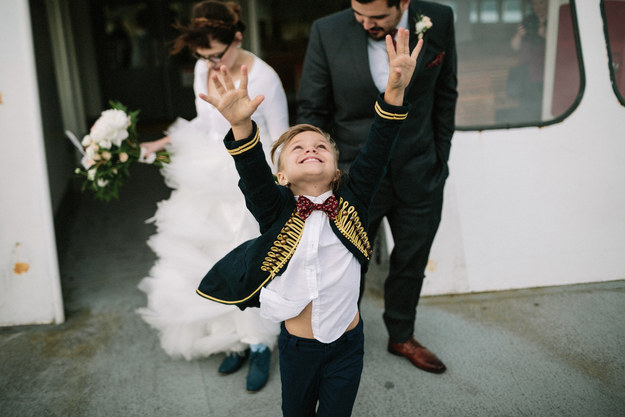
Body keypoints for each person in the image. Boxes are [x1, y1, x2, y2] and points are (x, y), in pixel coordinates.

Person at [196, 28, 420, 416]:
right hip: (298, 348)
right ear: (281, 175)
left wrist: (395, 91)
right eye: (296, 148)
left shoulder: (354, 197)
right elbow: (251, 170)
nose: (310, 148)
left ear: (336, 169)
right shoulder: (274, 207)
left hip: (349, 345)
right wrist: (240, 126)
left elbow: (380, 143)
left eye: (320, 146)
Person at [297, 0, 457, 374]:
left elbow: (446, 92)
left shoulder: (439, 19)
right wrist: (319, 174)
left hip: (421, 171)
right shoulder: (326, 30)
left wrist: (440, 158)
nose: (366, 23)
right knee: (345, 265)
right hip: (355, 176)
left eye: (378, 17)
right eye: (358, 13)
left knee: (412, 260)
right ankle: (339, 339)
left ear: (404, 3)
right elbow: (312, 111)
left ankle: (401, 335)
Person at [136, 0, 288, 392]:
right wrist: (164, 142)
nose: (212, 64)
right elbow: (206, 124)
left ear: (238, 37)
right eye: (204, 57)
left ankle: (259, 344)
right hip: (207, 174)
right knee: (209, 258)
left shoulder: (266, 78)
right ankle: (231, 340)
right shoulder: (204, 67)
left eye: (218, 54)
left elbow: (281, 138)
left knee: (247, 257)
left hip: (250, 178)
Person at [509, 0, 548, 120]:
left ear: (547, 4)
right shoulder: (528, 20)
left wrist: (544, 34)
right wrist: (519, 35)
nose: (538, 7)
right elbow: (514, 47)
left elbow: (559, 46)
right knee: (525, 110)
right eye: (535, 4)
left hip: (543, 73)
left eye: (541, 3)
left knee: (539, 110)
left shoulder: (554, 19)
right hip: (525, 72)